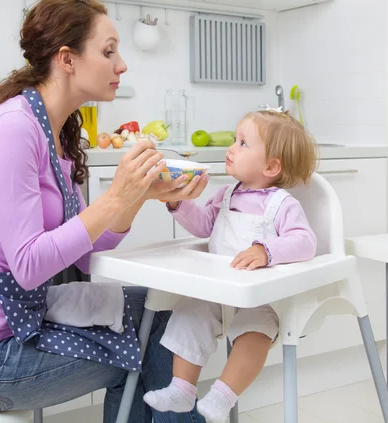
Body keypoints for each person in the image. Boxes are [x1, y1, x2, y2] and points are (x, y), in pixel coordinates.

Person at [0, 1, 209, 422]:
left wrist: (141, 195)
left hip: (17, 322)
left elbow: (87, 255)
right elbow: (29, 267)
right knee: (145, 343)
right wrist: (115, 197)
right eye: (108, 51)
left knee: (157, 308)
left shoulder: (56, 134)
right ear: (67, 59)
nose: (121, 65)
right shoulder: (14, 129)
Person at [143, 110, 318, 422]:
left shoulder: (281, 204)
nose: (231, 148)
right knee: (187, 314)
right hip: (218, 292)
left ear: (271, 166)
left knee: (256, 332)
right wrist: (176, 202)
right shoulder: (226, 195)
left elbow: (305, 241)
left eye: (243, 143)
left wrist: (266, 250)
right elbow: (202, 226)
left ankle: (223, 396)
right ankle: (183, 389)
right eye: (234, 140)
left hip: (260, 300)